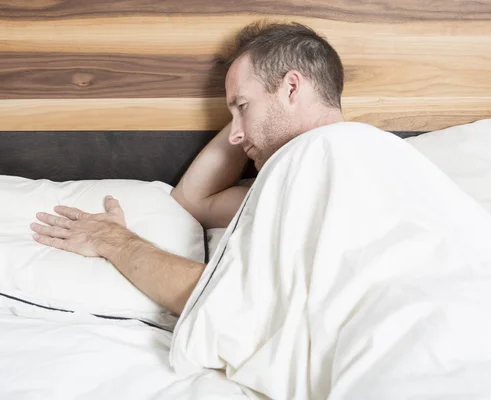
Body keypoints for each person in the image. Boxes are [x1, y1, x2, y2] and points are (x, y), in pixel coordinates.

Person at [30, 20, 345, 316]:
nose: (234, 134)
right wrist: (250, 118)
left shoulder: (338, 165)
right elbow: (194, 201)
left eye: (243, 106)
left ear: (292, 88)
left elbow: (232, 305)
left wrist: (113, 241)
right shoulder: (301, 176)